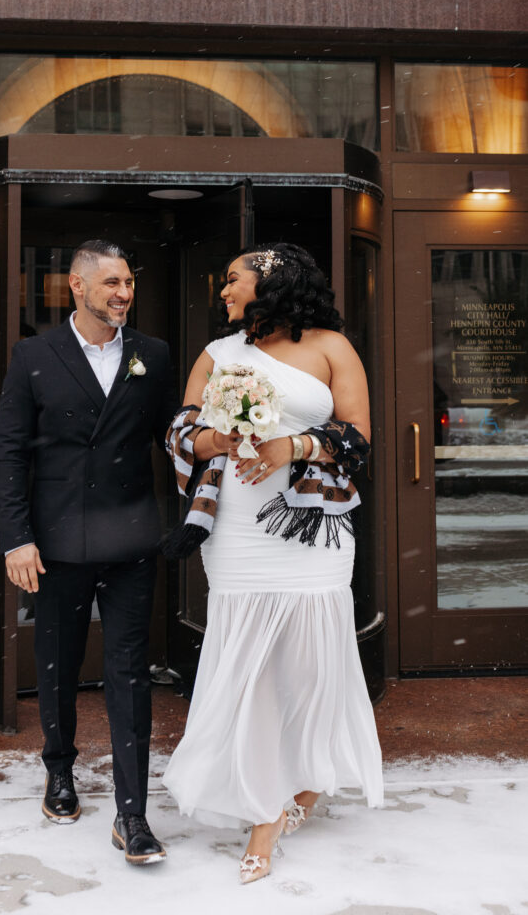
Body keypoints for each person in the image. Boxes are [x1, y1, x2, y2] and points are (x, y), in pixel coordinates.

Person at [162, 242, 383, 884]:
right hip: (238, 529)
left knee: (311, 665)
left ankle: (310, 775)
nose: (224, 291)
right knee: (252, 669)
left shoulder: (332, 348)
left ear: (273, 281)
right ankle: (264, 811)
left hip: (313, 533)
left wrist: (296, 444)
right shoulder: (219, 354)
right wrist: (219, 436)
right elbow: (179, 432)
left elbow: (358, 439)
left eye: (233, 280)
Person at [0, 239, 177, 865]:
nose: (124, 294)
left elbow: (174, 445)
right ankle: (59, 771)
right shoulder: (33, 356)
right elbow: (11, 453)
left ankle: (133, 814)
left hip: (130, 540)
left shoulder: (152, 355)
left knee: (129, 672)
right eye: (111, 284)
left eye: (129, 282)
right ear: (76, 285)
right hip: (57, 542)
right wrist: (16, 537)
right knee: (58, 662)